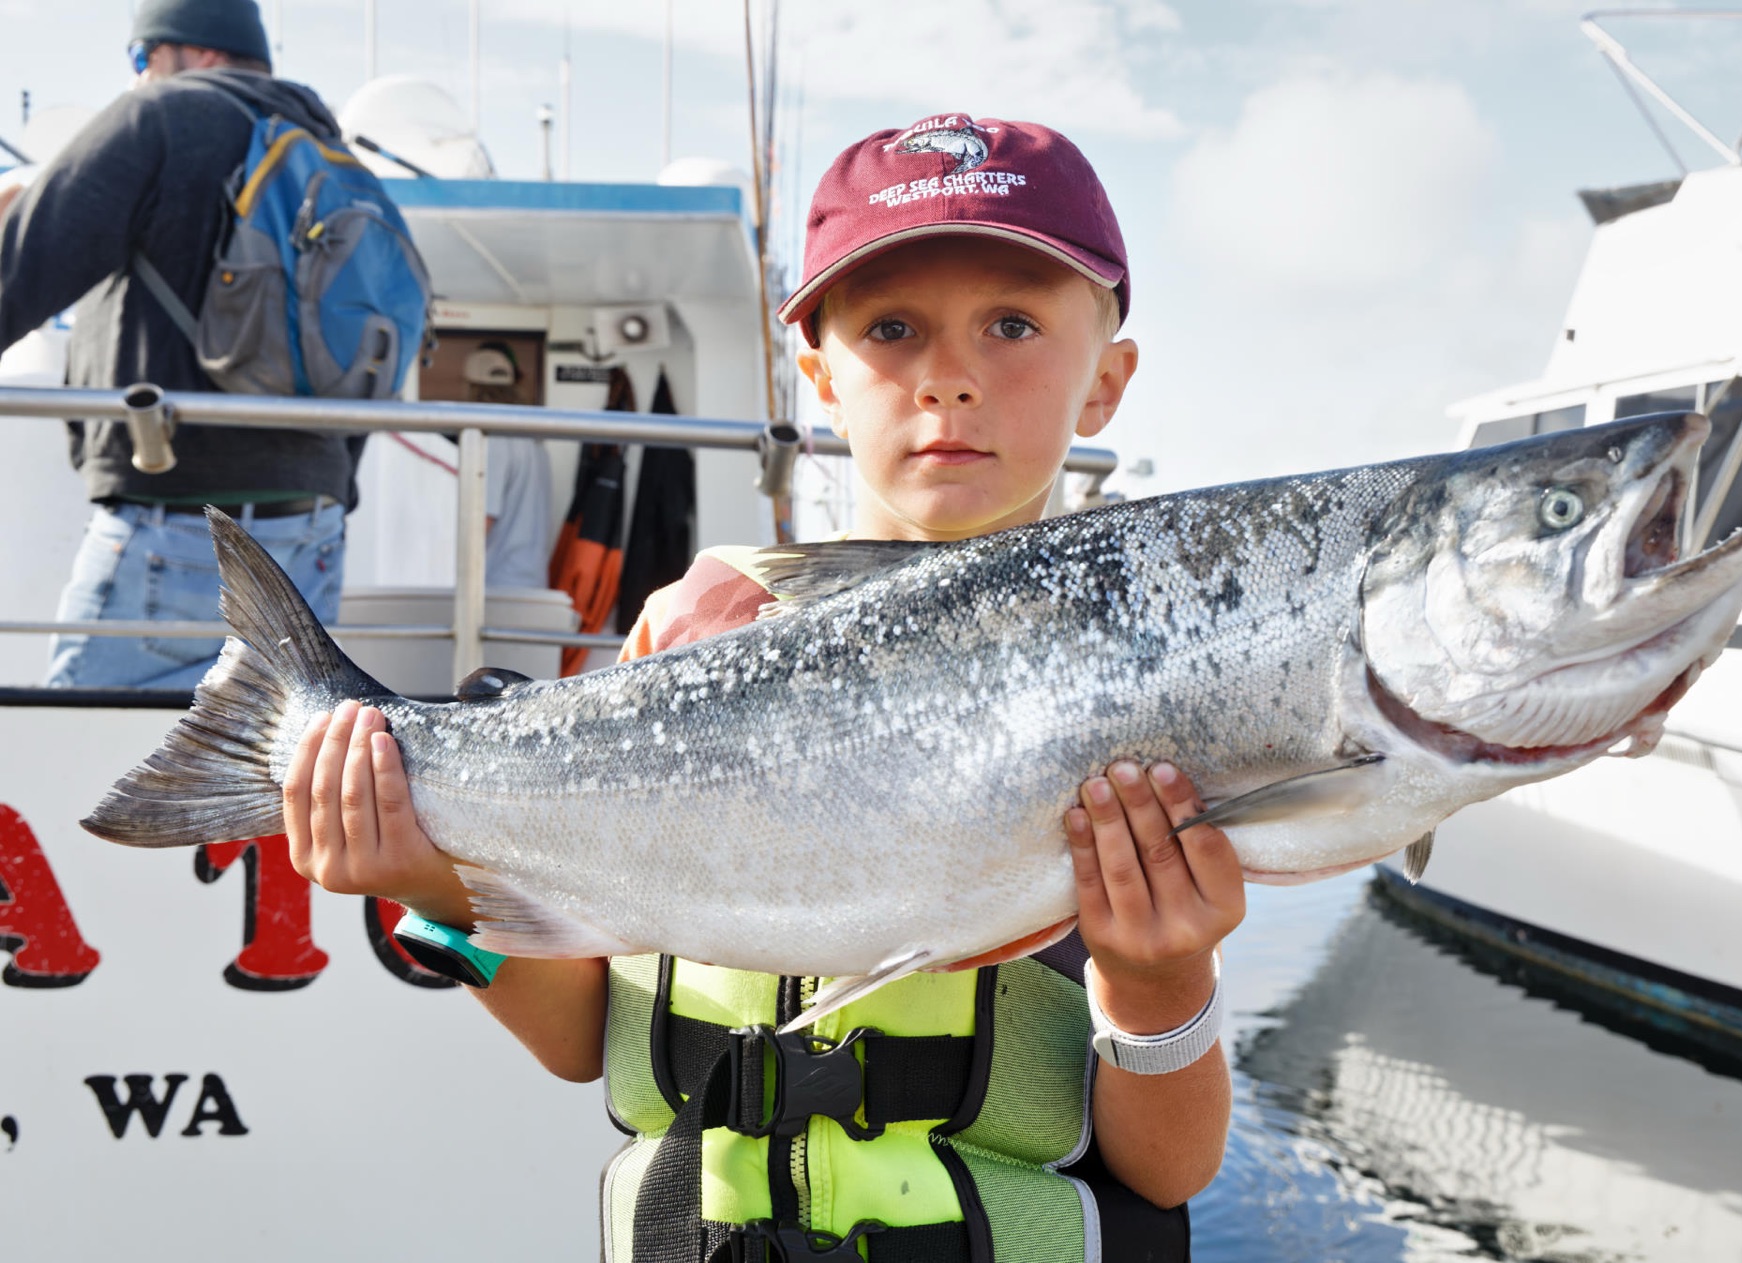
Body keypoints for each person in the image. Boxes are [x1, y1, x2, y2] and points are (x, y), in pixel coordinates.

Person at [281, 113, 1242, 1260]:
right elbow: (590, 1038)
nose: (947, 379)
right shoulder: (687, 631)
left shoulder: (1139, 669)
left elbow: (1171, 1166)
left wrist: (1160, 974)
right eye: (892, 328)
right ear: (821, 374)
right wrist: (437, 892)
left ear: (1108, 379)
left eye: (1014, 325)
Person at [0, 0, 360, 690]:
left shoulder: (161, 118)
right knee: (248, 781)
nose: (138, 79)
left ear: (191, 53)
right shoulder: (327, 147)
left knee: (75, 765)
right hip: (314, 531)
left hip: (174, 529)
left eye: (140, 59)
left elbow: (20, 267)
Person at [461, 341, 555, 591]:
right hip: (532, 581)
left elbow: (482, 520)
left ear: (473, 389)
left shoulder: (492, 440)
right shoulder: (535, 442)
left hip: (497, 585)